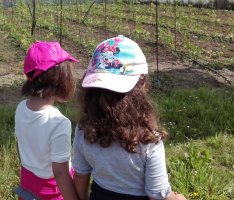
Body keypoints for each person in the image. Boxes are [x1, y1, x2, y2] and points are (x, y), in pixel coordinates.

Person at [73, 35, 187, 200]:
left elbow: (81, 176)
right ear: (142, 85)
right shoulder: (149, 140)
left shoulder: (84, 130)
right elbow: (157, 194)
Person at [14, 41, 79, 200]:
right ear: (60, 78)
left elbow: (19, 145)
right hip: (53, 191)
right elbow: (60, 172)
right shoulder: (59, 122)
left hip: (28, 184)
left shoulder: (21, 107)